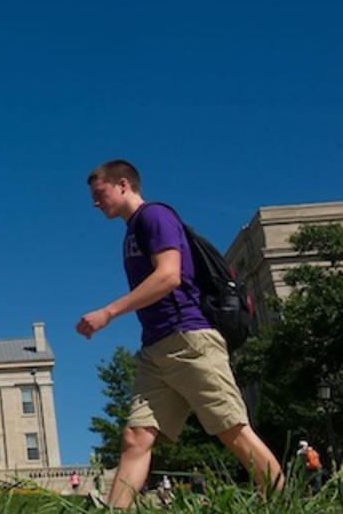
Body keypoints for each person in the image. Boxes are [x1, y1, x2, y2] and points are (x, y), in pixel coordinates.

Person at [78, 160, 283, 509]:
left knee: (231, 430)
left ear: (123, 184)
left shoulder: (154, 217)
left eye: (100, 194)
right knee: (135, 437)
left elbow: (169, 276)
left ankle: (283, 504)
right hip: (155, 348)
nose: (96, 203)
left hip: (189, 339)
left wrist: (108, 312)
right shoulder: (131, 231)